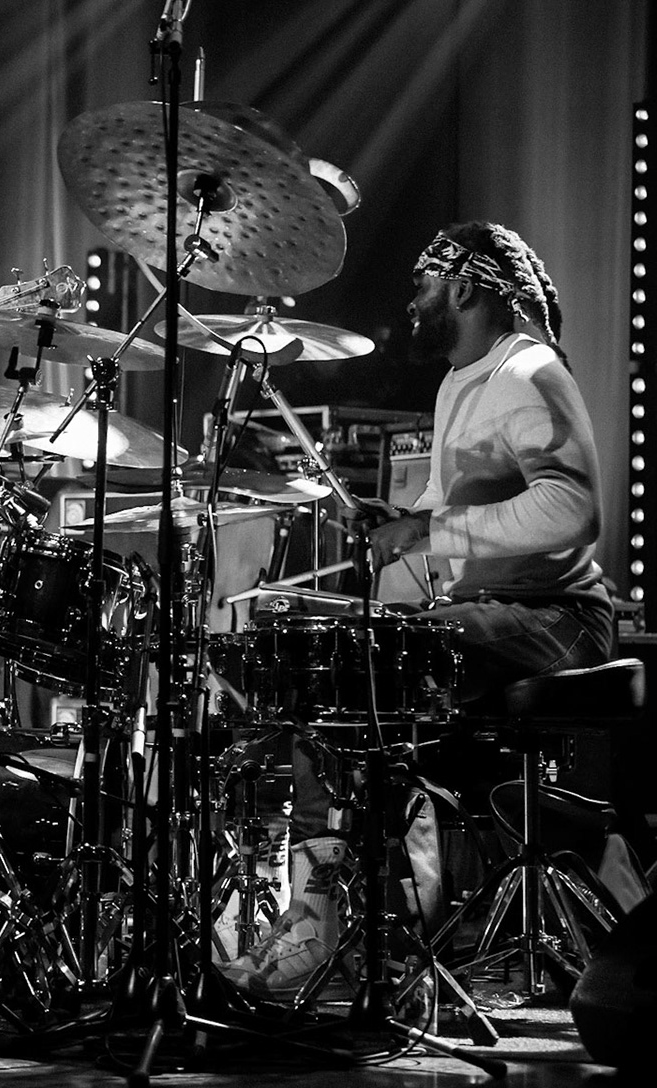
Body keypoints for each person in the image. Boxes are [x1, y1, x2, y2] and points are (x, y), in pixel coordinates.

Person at [223, 221, 621, 998]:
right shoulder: (459, 381)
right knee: (345, 681)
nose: (412, 302)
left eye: (423, 285)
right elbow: (453, 503)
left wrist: (430, 529)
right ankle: (364, 925)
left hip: (558, 618)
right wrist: (397, 520)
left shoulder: (528, 372)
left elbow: (572, 511)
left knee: (362, 672)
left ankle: (326, 924)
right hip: (498, 613)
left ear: (465, 288)